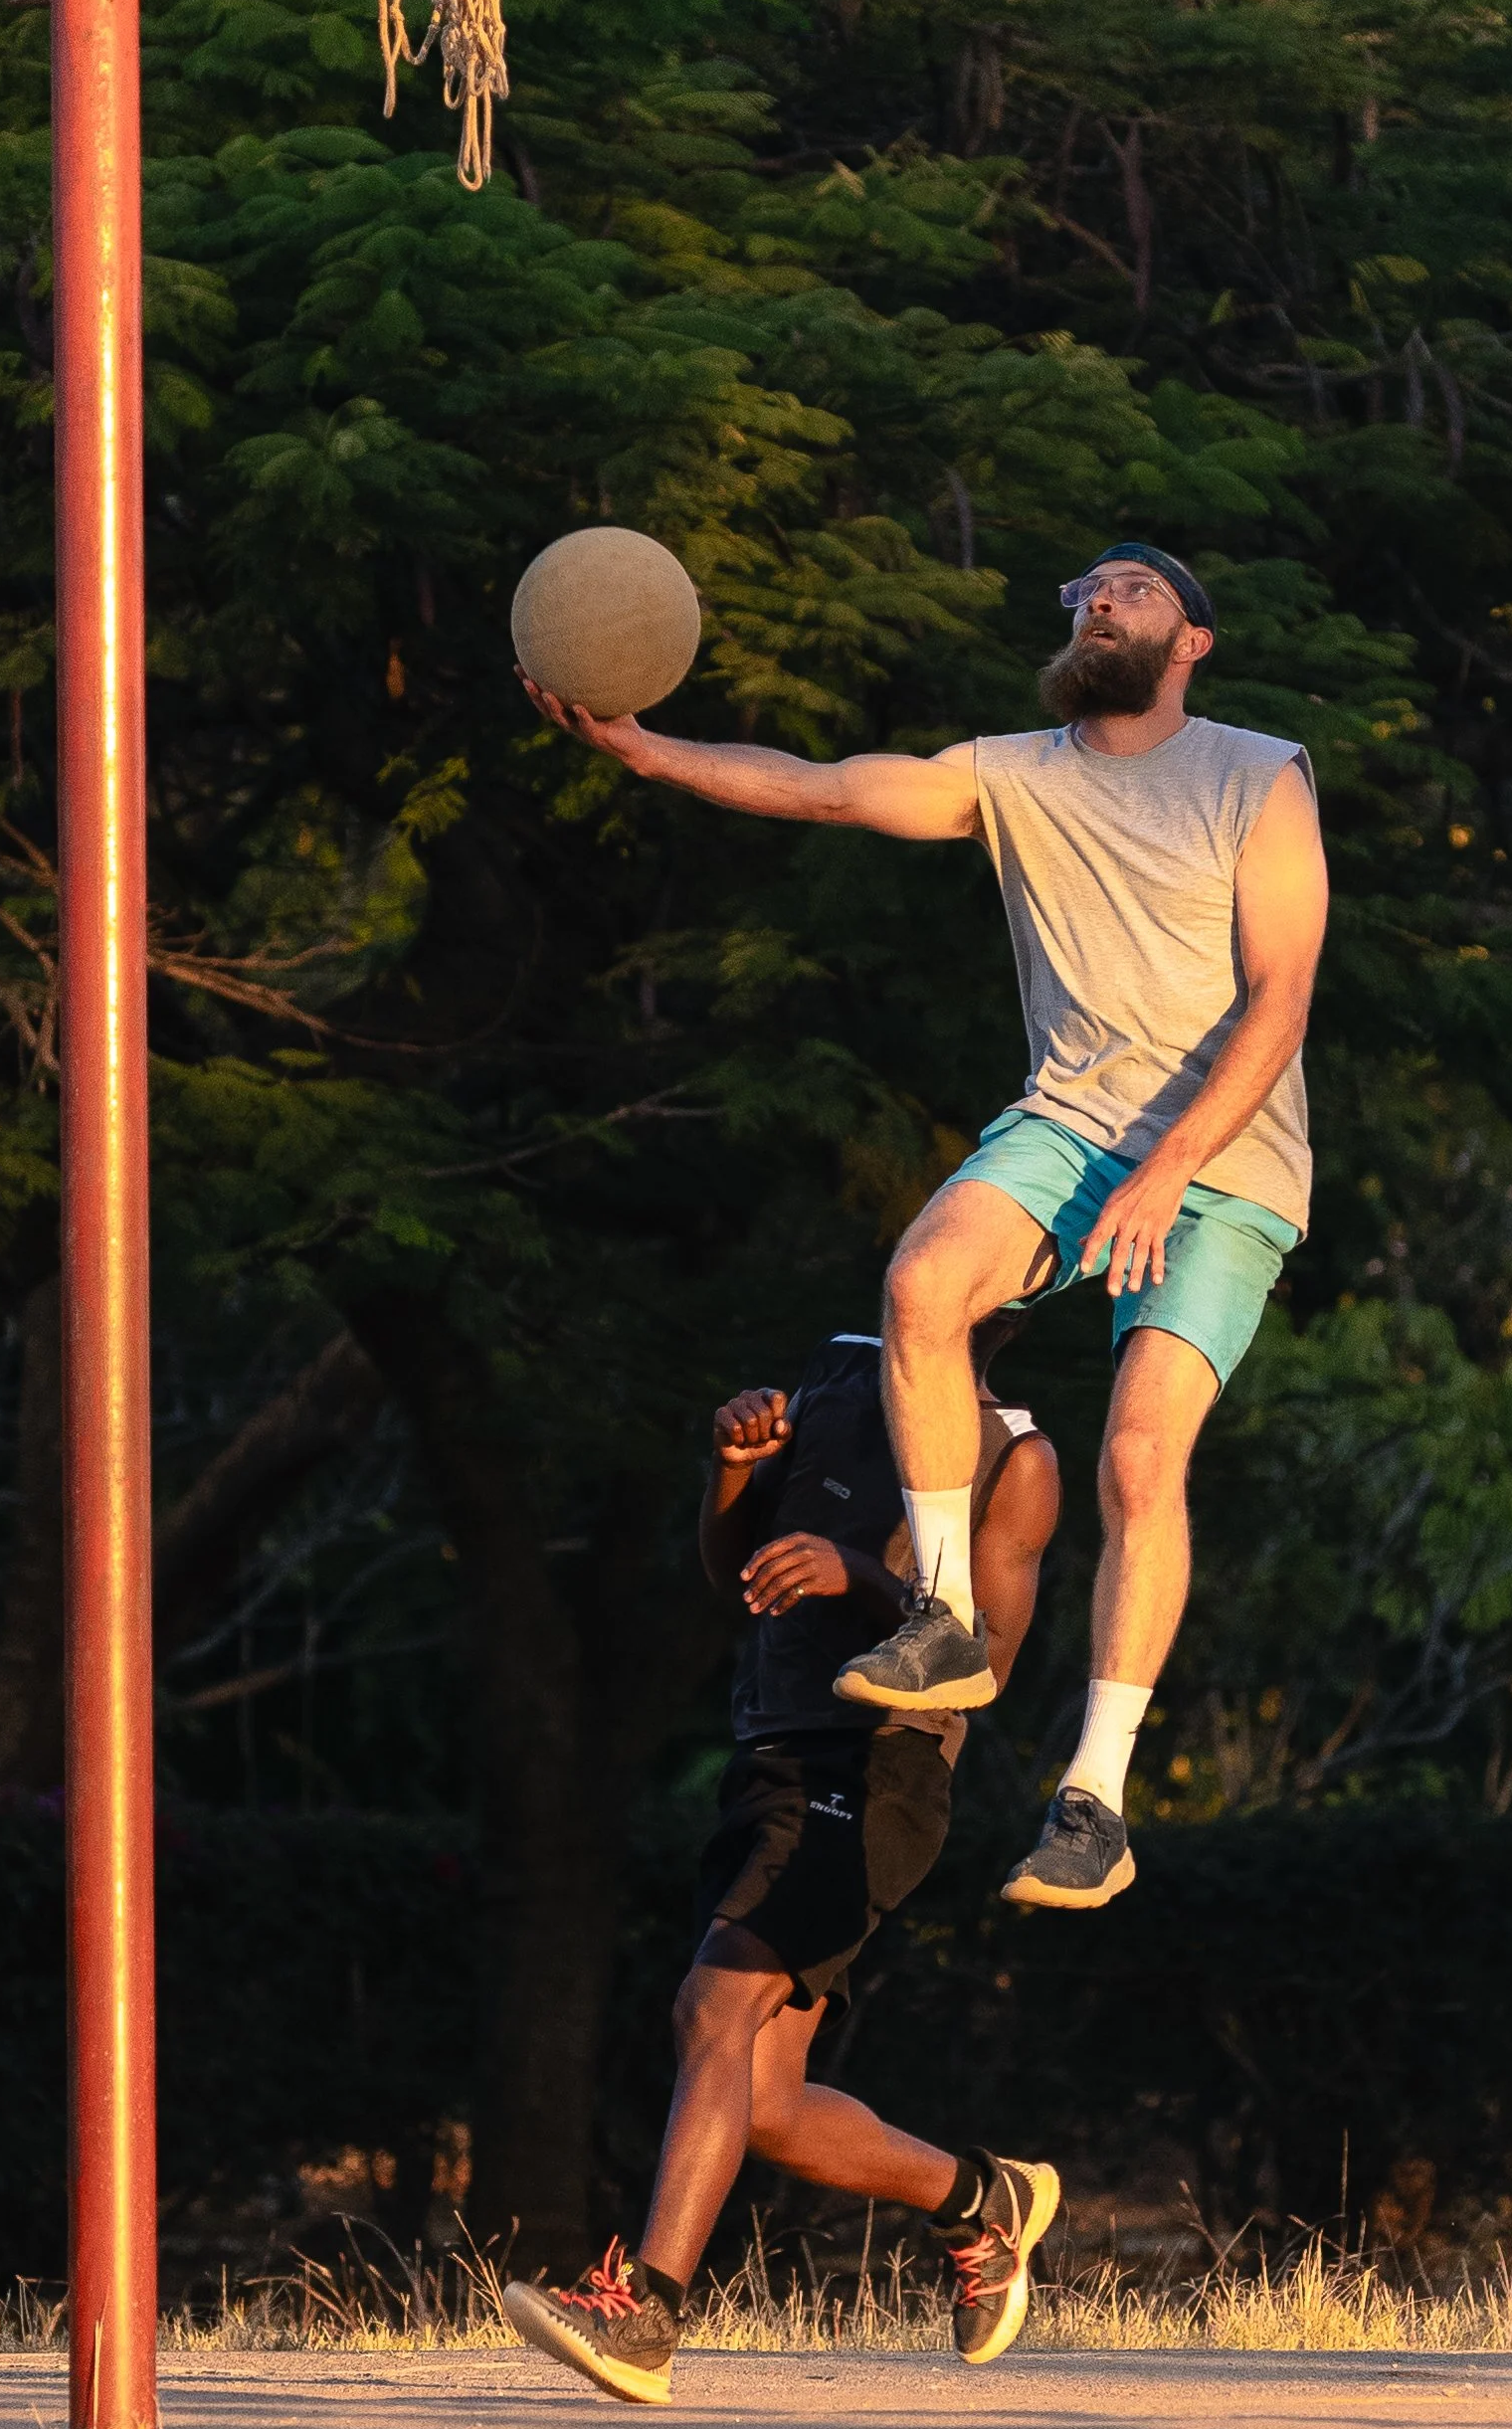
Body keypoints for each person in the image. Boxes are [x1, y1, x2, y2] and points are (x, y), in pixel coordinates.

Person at [522, 541, 1327, 1914]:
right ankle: (942, 1615)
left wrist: (1167, 1168)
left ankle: (1095, 1798)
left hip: (1229, 1161)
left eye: (1130, 588)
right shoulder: (1013, 775)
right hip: (1074, 1126)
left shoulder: (1258, 774)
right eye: (1079, 588)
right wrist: (654, 756)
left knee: (1139, 1453)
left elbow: (1282, 997)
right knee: (922, 1285)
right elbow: (832, 791)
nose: (1095, 600)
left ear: (1192, 639)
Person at [504, 1321, 1062, 2407]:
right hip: (767, 1756)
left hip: (880, 1770)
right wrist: (733, 1468)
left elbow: (984, 1662)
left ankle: (648, 2314)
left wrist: (856, 1573)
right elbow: (735, 1572)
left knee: (710, 2009)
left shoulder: (1014, 1457)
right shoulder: (840, 1383)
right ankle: (980, 2199)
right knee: (758, 2101)